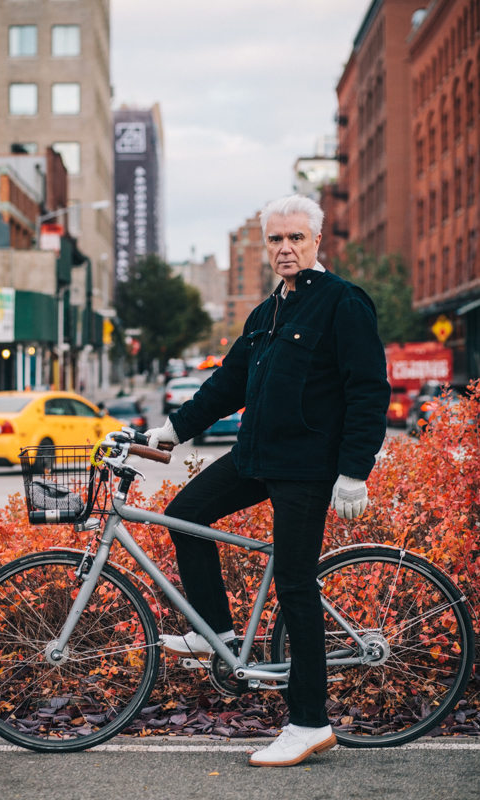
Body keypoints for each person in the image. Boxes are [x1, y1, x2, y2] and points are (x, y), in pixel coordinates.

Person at [146, 195, 390, 767]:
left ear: (316, 242)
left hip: (307, 469)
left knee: (296, 586)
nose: (285, 248)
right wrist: (172, 430)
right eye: (275, 240)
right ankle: (220, 638)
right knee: (184, 516)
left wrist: (354, 470)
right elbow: (226, 385)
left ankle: (309, 723)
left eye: (296, 238)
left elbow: (368, 390)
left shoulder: (342, 303)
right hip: (256, 456)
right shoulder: (266, 314)